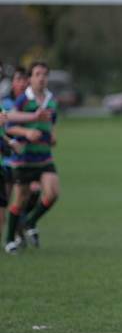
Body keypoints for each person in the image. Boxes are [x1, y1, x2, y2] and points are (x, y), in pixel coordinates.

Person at [4, 61, 59, 254]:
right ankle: (10, 240)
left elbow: (51, 125)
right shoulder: (23, 101)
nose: (42, 78)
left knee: (52, 193)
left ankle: (29, 222)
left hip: (44, 158)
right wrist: (27, 134)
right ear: (31, 78)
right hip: (24, 159)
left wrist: (52, 137)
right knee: (20, 200)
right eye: (37, 74)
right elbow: (9, 126)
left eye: (45, 74)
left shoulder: (52, 100)